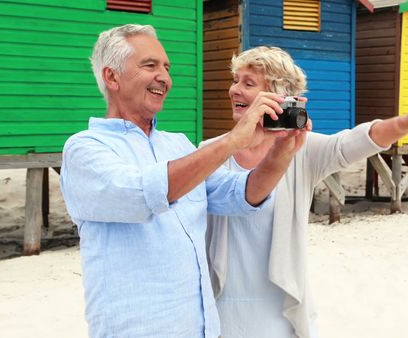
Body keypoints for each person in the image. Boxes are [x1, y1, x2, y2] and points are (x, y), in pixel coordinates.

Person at [60, 26, 307, 338]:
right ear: (112, 77)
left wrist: (282, 151)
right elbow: (142, 194)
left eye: (167, 68)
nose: (164, 77)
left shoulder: (177, 145)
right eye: (150, 66)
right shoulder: (85, 149)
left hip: (201, 329)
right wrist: (232, 141)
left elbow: (239, 196)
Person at [201, 46, 408, 338]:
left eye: (248, 83)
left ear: (279, 98)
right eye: (235, 80)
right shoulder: (211, 151)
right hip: (222, 302)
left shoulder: (301, 148)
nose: (234, 90)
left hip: (281, 306)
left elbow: (356, 142)